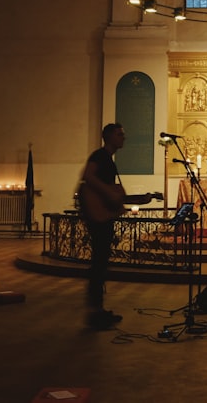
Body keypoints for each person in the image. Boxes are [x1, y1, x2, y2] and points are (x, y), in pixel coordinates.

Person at [78, 122, 127, 330]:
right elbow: (88, 177)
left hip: (104, 214)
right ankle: (94, 311)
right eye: (119, 134)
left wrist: (117, 202)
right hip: (97, 216)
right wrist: (108, 193)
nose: (123, 138)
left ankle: (98, 309)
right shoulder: (99, 156)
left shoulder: (109, 161)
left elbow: (109, 189)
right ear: (109, 137)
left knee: (101, 260)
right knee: (99, 261)